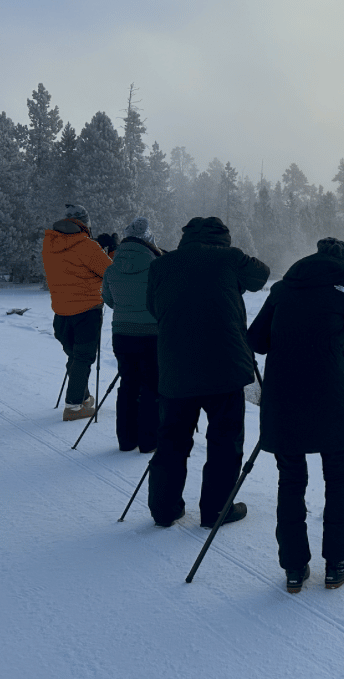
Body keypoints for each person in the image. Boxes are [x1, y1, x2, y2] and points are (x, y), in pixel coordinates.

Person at [246, 237, 344, 593]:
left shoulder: (283, 288)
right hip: (330, 402)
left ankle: (294, 568)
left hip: (282, 402)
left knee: (290, 480)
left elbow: (256, 341)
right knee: (338, 477)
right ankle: (337, 563)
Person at [145, 216, 269, 529]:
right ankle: (216, 510)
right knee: (225, 441)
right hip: (223, 367)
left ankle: (164, 510)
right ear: (223, 239)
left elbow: (153, 307)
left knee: (172, 439)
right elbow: (261, 276)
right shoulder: (229, 258)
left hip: (175, 367)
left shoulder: (162, 265)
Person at [41, 203, 113, 422]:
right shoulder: (86, 247)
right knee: (83, 357)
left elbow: (73, 267)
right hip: (86, 311)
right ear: (85, 223)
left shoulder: (50, 244)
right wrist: (111, 250)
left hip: (61, 313)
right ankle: (73, 406)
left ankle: (82, 397)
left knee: (75, 356)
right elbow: (110, 272)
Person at [101, 216, 163, 453]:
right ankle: (148, 441)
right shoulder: (157, 265)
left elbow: (108, 300)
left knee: (128, 383)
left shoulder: (112, 267)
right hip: (151, 335)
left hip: (122, 334)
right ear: (149, 239)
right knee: (150, 385)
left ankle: (126, 440)